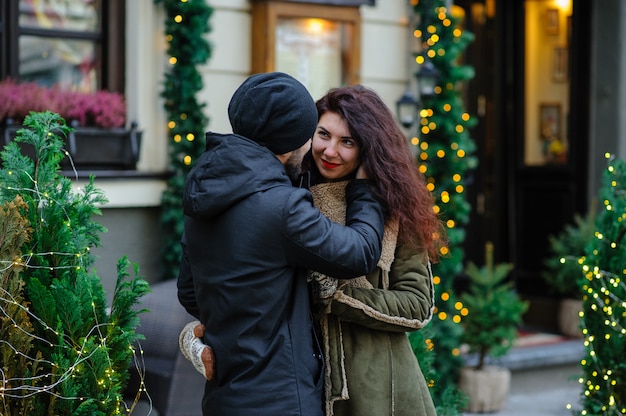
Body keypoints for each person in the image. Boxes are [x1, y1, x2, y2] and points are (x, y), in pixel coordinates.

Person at [176, 72, 386, 416]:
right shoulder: (282, 207)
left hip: (224, 397)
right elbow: (360, 252)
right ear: (291, 140)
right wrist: (365, 190)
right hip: (281, 399)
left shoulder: (206, 188)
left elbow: (190, 292)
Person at [302, 85, 444, 416]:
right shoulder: (292, 194)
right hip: (303, 385)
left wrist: (336, 297)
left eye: (347, 142)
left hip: (379, 390)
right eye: (323, 134)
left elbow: (418, 305)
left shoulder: (394, 209)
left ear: (370, 148)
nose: (330, 150)